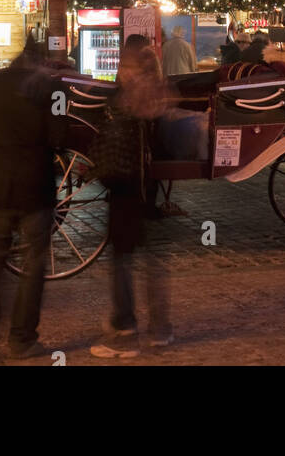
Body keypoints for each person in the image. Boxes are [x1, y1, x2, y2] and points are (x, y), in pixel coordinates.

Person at [0, 41, 56, 358]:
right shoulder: (50, 89)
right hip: (35, 186)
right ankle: (21, 338)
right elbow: (59, 137)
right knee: (33, 266)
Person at [90, 34, 173, 358]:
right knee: (152, 263)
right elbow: (164, 144)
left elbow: (109, 141)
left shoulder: (123, 98)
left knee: (122, 262)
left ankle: (124, 331)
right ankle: (160, 330)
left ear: (127, 66)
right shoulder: (158, 93)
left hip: (126, 189)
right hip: (149, 191)